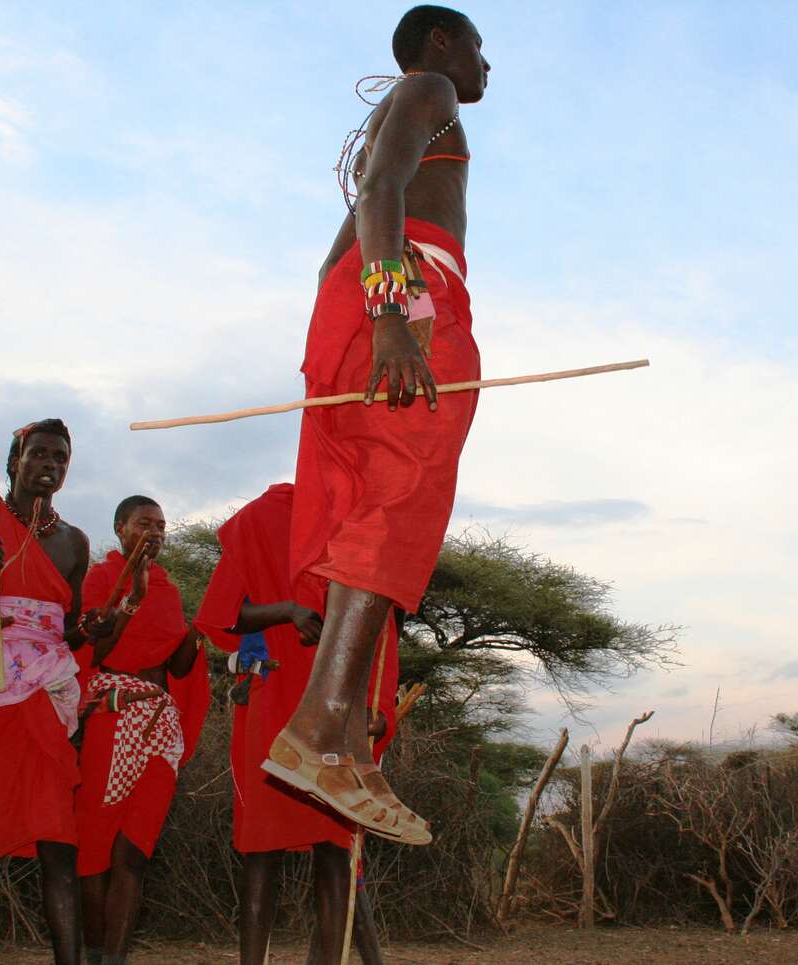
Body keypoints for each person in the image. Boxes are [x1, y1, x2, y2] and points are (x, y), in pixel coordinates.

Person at [266, 4, 489, 841]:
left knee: (380, 500)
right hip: (402, 293)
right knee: (407, 492)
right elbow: (378, 191)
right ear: (439, 43)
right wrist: (393, 317)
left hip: (372, 291)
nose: (485, 66)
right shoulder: (430, 88)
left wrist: (369, 313)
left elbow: (357, 224)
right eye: (478, 46)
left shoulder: (408, 112)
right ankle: (318, 725)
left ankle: (347, 743)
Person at [195, 483, 401, 965]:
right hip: (273, 705)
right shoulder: (258, 519)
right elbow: (223, 616)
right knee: (261, 849)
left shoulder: (358, 524)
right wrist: (286, 611)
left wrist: (379, 707)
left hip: (338, 713)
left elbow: (381, 628)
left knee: (334, 847)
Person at [74, 495, 209, 965]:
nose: (155, 532)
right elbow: (96, 647)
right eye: (143, 523)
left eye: (162, 525)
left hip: (159, 721)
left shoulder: (168, 590)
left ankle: (115, 958)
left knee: (135, 850)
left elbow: (176, 662)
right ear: (120, 528)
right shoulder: (99, 577)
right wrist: (133, 596)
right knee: (95, 846)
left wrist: (202, 628)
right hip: (111, 712)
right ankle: (94, 954)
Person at [0, 419, 96, 965]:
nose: (50, 466)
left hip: (45, 699)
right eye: (38, 454)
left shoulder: (73, 542)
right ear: (14, 461)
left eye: (60, 458)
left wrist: (96, 629)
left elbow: (69, 628)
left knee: (59, 837)